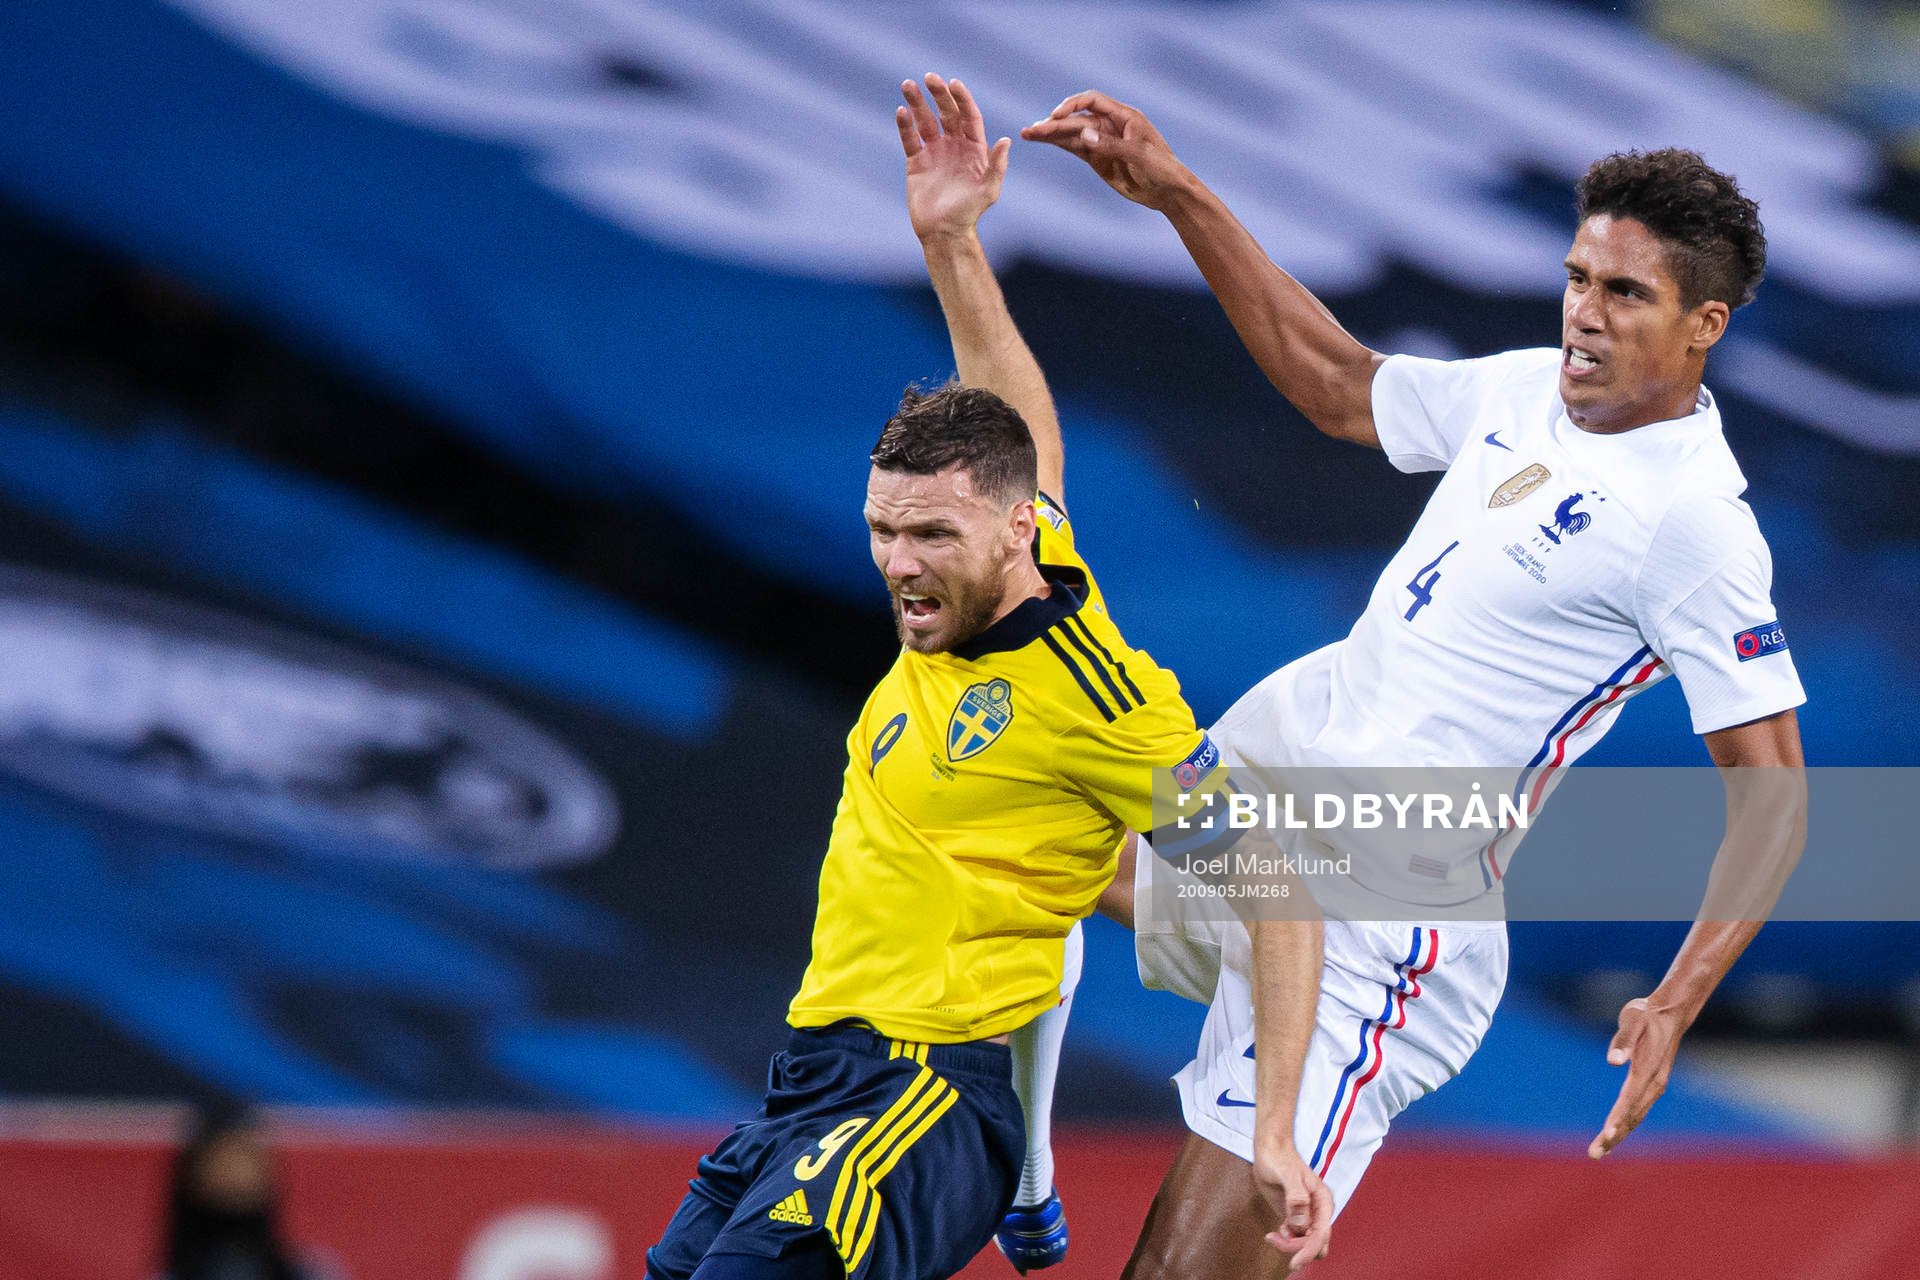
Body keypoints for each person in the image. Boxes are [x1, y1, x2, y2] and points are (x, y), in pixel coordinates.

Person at [1020, 93, 1809, 1275]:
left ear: (1708, 323)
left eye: (1625, 294)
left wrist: (1677, 996)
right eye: (1578, 277)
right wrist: (1177, 193)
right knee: (1013, 820)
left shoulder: (1694, 524)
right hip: (1277, 783)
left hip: (1378, 910)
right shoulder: (1527, 388)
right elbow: (1339, 384)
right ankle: (1001, 1164)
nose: (1584, 315)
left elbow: (1779, 798)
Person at [644, 75, 1330, 1280]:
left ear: (1013, 532)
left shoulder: (1105, 702)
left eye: (932, 540)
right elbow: (1020, 418)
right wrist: (951, 237)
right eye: (883, 530)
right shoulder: (1024, 555)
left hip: (922, 1095)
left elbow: (1278, 885)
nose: (900, 569)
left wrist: (1272, 1123)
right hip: (812, 1083)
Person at [159, 1106, 334, 1280]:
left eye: (245, 1157)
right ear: (193, 1173)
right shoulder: (171, 1274)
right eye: (223, 1159)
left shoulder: (310, 1271)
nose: (234, 1170)